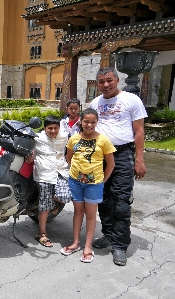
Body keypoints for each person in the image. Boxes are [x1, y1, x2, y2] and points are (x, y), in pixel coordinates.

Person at [89, 66, 148, 266]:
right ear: (97, 84)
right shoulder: (95, 102)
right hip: (100, 156)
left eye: (109, 80)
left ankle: (120, 245)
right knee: (103, 198)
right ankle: (108, 234)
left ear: (117, 80)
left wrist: (139, 159)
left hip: (122, 154)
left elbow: (139, 131)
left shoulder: (131, 100)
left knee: (121, 200)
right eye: (101, 82)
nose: (105, 85)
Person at [61, 108, 116, 263]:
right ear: (81, 121)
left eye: (93, 122)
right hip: (75, 182)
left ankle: (88, 246)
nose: (89, 125)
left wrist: (102, 181)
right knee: (78, 212)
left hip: (94, 184)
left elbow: (111, 164)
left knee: (91, 215)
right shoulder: (73, 139)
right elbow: (69, 157)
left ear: (97, 123)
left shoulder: (103, 140)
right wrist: (76, 173)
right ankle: (75, 242)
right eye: (86, 121)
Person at [32, 116, 72, 247]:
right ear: (44, 128)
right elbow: (30, 149)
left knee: (65, 196)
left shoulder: (65, 136)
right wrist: (29, 155)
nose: (53, 131)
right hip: (44, 174)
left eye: (56, 128)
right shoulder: (37, 138)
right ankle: (42, 233)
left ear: (59, 128)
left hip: (61, 171)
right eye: (50, 128)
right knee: (44, 205)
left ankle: (54, 204)